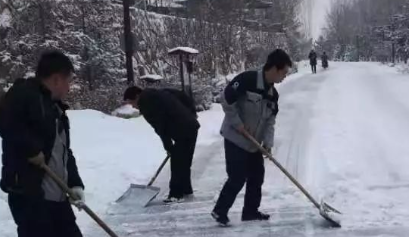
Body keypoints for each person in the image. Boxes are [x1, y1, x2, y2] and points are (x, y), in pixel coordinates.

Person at [0, 50, 120, 237]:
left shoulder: (55, 109)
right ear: (57, 78)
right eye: (69, 80)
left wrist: (75, 183)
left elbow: (63, 152)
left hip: (55, 191)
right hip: (29, 191)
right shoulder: (25, 94)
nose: (70, 86)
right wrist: (29, 148)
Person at [211, 49, 292, 226]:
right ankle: (220, 211)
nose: (284, 76)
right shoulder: (247, 79)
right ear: (274, 69)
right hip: (235, 137)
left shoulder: (273, 95)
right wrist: (237, 123)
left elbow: (270, 121)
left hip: (253, 142)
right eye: (284, 72)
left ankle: (250, 211)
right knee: (237, 176)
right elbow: (226, 99)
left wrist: (268, 144)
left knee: (257, 176)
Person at [123, 85, 200, 203]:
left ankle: (176, 194)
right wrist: (191, 114)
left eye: (132, 102)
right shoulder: (160, 92)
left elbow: (160, 127)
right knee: (184, 160)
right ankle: (186, 190)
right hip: (191, 126)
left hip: (183, 130)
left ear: (137, 96)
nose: (133, 106)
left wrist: (168, 146)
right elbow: (182, 96)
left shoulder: (146, 104)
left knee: (177, 162)